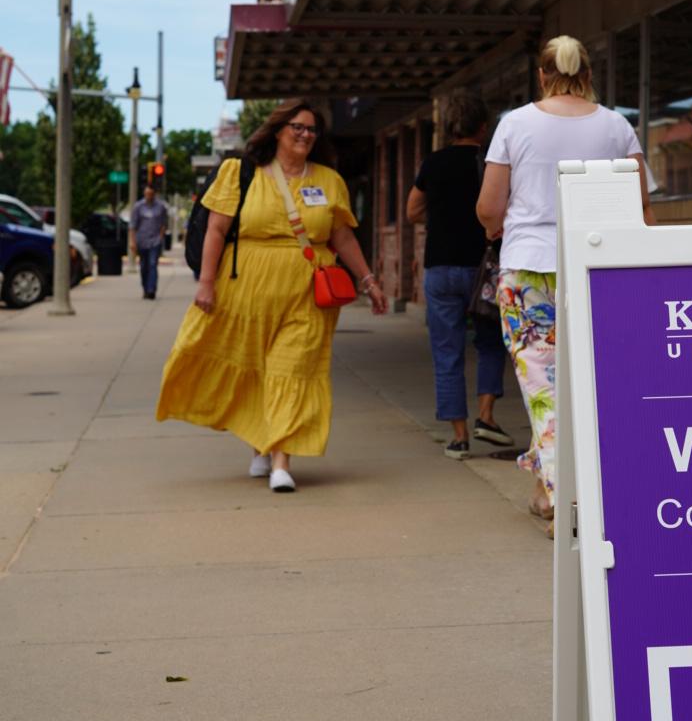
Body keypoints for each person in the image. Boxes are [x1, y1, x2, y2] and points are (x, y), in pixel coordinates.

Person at [156, 100, 388, 492]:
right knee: (255, 370)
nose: (304, 135)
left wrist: (368, 280)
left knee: (292, 370)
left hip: (308, 293)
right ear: (278, 130)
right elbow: (216, 230)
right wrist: (206, 283)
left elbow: (342, 236)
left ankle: (281, 461)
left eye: (312, 130)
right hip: (245, 289)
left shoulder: (330, 181)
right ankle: (259, 446)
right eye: (297, 127)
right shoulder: (240, 173)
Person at [477, 36, 651, 524]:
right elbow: (639, 203)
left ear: (541, 75)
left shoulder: (515, 124)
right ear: (588, 74)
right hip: (599, 266)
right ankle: (543, 487)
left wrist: (496, 224)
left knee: (544, 387)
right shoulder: (616, 125)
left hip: (529, 267)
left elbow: (490, 206)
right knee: (584, 381)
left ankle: (567, 503)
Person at [406, 91, 509, 459]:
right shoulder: (490, 163)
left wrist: (439, 217)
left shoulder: (432, 163)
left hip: (440, 268)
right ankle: (486, 416)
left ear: (450, 127)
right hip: (484, 271)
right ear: (483, 127)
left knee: (446, 351)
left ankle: (459, 436)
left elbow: (411, 210)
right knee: (490, 343)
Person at [130, 184, 168, 299]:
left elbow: (164, 224)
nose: (148, 196)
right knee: (143, 266)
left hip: (155, 241)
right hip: (141, 240)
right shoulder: (138, 207)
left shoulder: (161, 206)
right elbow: (132, 226)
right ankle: (145, 288)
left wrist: (160, 237)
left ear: (154, 194)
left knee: (152, 264)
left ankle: (152, 290)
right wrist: (132, 242)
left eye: (151, 194)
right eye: (147, 194)